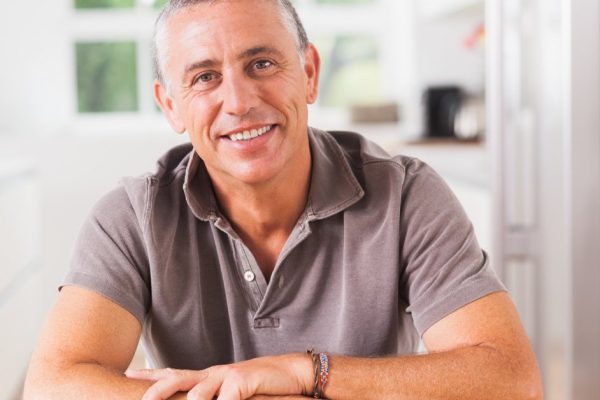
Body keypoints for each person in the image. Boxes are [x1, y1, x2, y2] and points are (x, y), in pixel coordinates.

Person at [24, 0, 543, 399]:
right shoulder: (131, 217)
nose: (240, 102)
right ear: (171, 106)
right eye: (205, 77)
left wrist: (303, 370)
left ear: (310, 73)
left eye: (263, 64)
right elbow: (53, 384)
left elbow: (510, 378)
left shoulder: (406, 194)